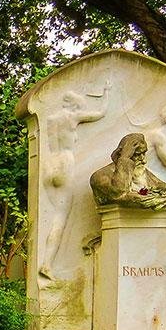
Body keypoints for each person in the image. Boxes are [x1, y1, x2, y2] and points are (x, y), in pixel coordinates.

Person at [40, 82, 111, 279]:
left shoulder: (52, 118)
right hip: (65, 162)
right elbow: (101, 112)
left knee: (55, 214)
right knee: (61, 217)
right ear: (74, 106)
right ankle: (46, 264)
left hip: (49, 164)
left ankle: (46, 261)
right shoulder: (72, 117)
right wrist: (105, 92)